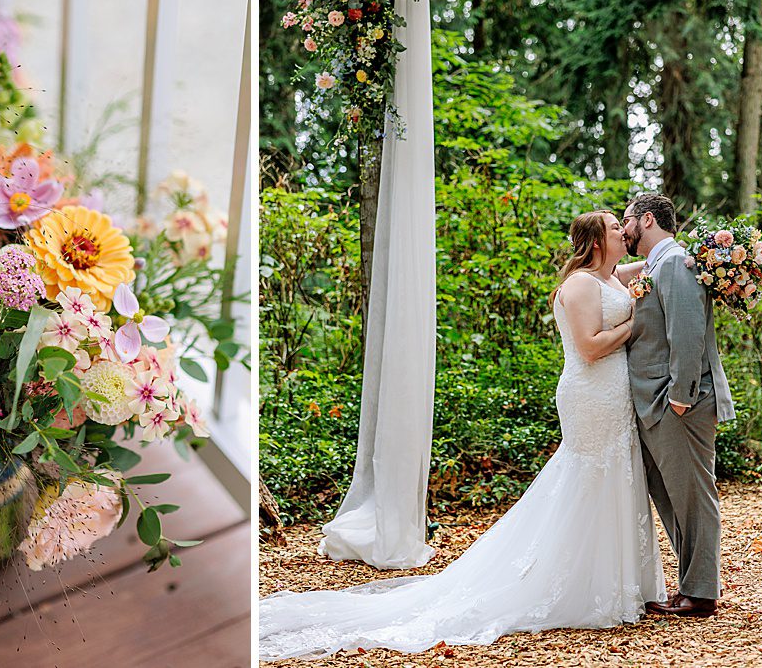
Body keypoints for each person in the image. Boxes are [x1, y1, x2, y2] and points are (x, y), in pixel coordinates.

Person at [259, 210, 665, 660]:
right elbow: (589, 348)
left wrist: (704, 258)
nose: (622, 232)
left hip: (614, 397)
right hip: (590, 395)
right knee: (589, 480)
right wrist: (638, 323)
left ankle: (618, 580)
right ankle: (579, 583)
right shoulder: (582, 285)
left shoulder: (610, 276)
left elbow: (655, 263)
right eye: (614, 227)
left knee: (614, 477)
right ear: (594, 242)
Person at [616, 193, 735, 617]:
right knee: (670, 497)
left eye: (626, 220)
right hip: (656, 405)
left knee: (693, 497)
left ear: (646, 220)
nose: (624, 229)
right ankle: (691, 584)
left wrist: (681, 399)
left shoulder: (676, 264)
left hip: (678, 404)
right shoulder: (655, 265)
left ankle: (701, 593)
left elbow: (687, 337)